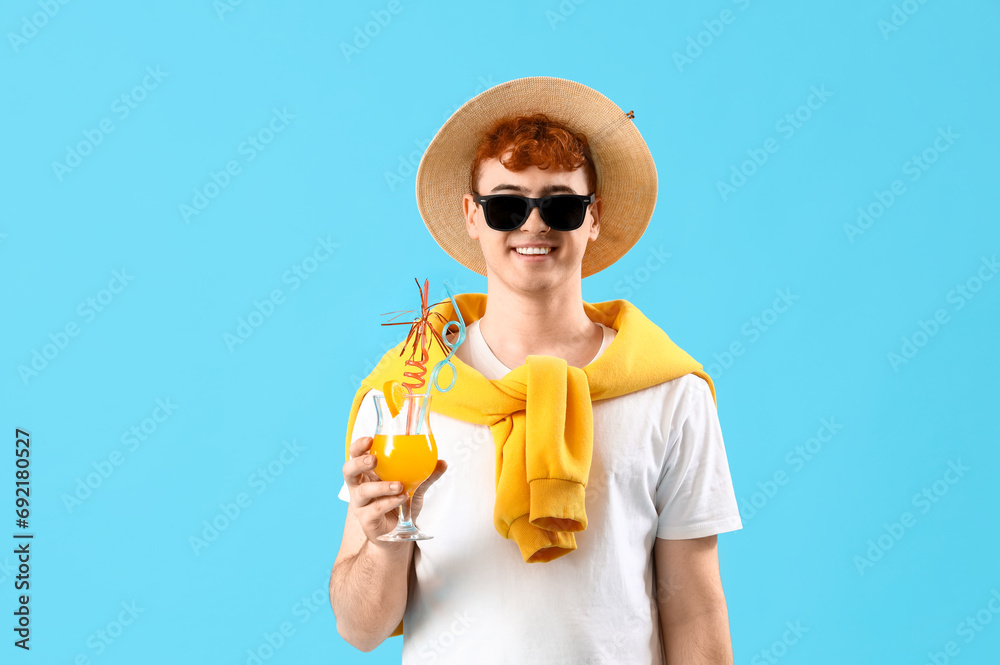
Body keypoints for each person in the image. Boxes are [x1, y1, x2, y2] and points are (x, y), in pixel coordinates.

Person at [330, 76, 743, 664]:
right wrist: (383, 543)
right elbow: (360, 630)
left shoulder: (670, 392)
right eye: (505, 204)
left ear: (593, 218)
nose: (533, 224)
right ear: (473, 217)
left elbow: (695, 607)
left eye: (561, 204)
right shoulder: (408, 389)